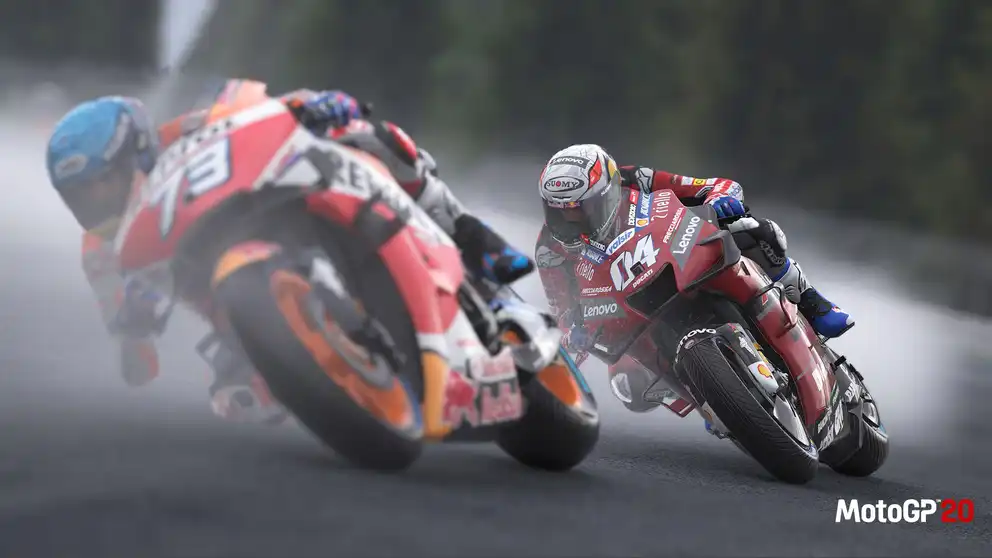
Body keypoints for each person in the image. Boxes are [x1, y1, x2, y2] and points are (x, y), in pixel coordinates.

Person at [44, 86, 533, 424]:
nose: (98, 202)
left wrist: (309, 104)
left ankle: (475, 239)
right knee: (236, 402)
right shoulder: (103, 256)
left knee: (368, 135)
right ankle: (340, 392)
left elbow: (256, 109)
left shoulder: (185, 132)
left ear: (138, 151)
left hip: (275, 202)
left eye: (105, 182)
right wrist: (134, 328)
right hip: (236, 307)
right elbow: (138, 366)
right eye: (81, 196)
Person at [534, 144, 854, 428]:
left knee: (749, 229)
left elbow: (714, 186)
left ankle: (811, 302)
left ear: (608, 193)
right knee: (628, 386)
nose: (570, 224)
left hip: (680, 260)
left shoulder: (636, 180)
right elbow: (563, 312)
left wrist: (720, 199)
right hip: (630, 313)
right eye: (558, 214)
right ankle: (711, 401)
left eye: (580, 212)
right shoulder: (550, 251)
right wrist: (572, 336)